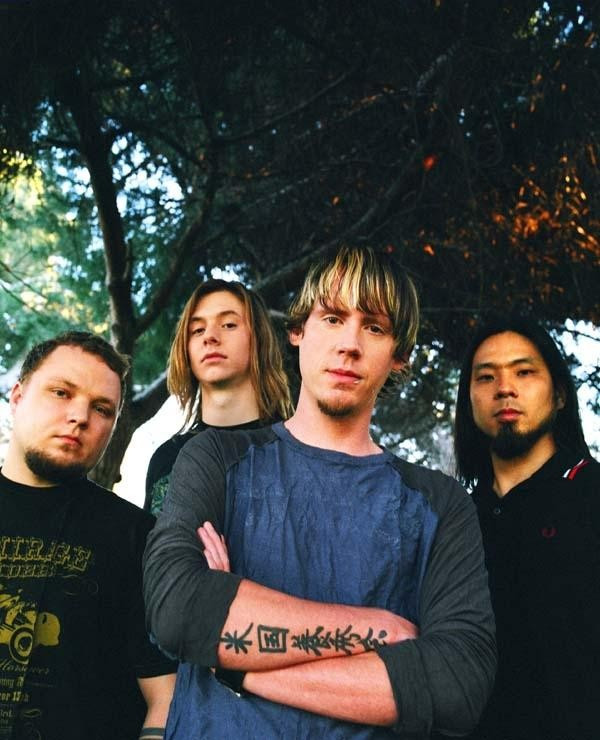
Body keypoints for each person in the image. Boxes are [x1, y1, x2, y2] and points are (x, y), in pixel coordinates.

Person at [143, 246, 496, 739]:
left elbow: (456, 685)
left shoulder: (439, 502)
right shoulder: (215, 459)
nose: (349, 344)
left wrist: (234, 663)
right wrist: (379, 630)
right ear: (298, 331)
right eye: (332, 318)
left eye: (374, 328)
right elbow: (177, 609)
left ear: (399, 357)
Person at [0, 331, 176, 740]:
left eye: (101, 408)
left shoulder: (136, 537)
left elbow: (165, 696)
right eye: (61, 393)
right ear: (18, 397)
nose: (80, 416)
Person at [454, 313, 599, 740]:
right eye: (486, 377)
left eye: (524, 372)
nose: (504, 388)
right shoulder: (454, 522)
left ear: (559, 395)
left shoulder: (591, 495)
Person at [144, 279, 293, 515]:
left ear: (258, 339)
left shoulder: (296, 451)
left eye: (229, 325)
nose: (210, 337)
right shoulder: (167, 458)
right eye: (197, 330)